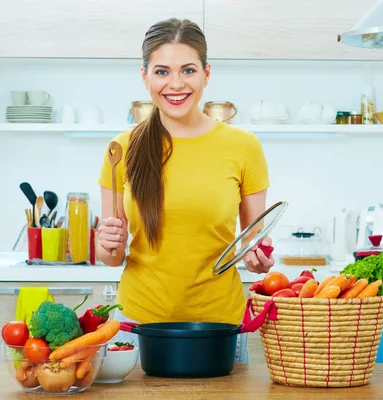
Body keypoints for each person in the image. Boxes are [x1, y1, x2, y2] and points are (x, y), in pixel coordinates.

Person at [96, 18, 274, 364]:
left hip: (219, 324)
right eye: (162, 71)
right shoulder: (121, 148)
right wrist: (106, 243)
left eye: (188, 70)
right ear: (144, 76)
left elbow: (255, 246)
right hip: (138, 324)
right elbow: (112, 257)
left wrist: (260, 258)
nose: (175, 84)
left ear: (207, 74)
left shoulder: (244, 147)